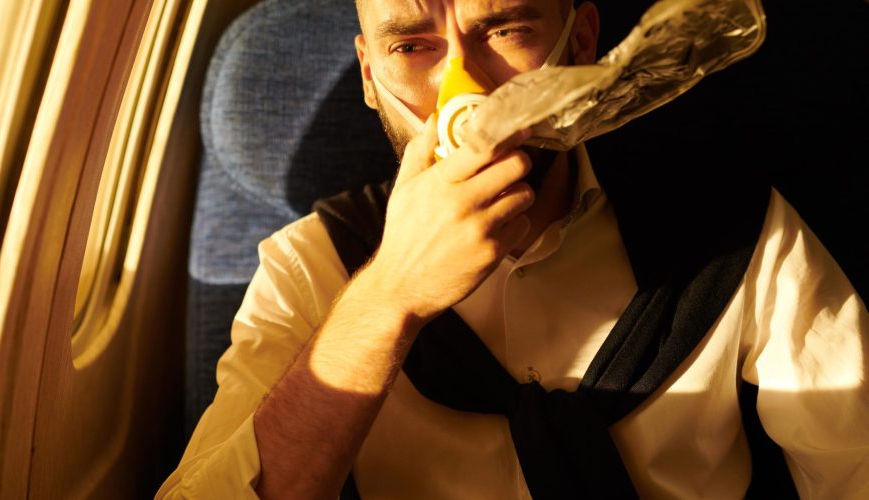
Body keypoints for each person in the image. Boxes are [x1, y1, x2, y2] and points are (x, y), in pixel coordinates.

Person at [159, 0, 869, 498]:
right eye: (411, 47)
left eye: (503, 30)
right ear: (371, 79)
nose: (460, 93)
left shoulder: (735, 231)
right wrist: (389, 298)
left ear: (582, 43)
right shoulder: (305, 271)